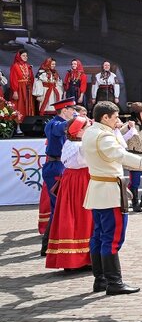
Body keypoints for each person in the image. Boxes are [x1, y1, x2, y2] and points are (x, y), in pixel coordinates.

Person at [81, 101, 142, 295]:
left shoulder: (91, 132)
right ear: (105, 117)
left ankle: (101, 280)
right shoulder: (103, 136)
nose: (118, 121)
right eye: (115, 117)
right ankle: (114, 282)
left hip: (98, 188)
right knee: (112, 237)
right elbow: (123, 157)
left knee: (98, 235)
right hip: (109, 189)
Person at [45, 116, 93, 274]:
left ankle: (84, 257)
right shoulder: (76, 146)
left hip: (79, 181)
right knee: (77, 217)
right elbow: (86, 158)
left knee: (84, 218)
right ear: (78, 131)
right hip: (78, 183)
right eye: (86, 128)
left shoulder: (75, 144)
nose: (88, 131)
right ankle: (73, 258)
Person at [39, 98, 78, 251]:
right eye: (71, 109)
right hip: (54, 166)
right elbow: (60, 128)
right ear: (64, 110)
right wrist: (79, 119)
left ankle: (51, 243)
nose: (73, 112)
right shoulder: (53, 123)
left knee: (60, 205)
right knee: (57, 205)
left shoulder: (62, 123)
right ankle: (48, 244)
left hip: (61, 165)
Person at [8, 49, 35, 123]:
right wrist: (15, 91)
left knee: (28, 105)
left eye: (26, 56)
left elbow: (31, 78)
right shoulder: (15, 66)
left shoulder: (28, 66)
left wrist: (32, 89)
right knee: (20, 106)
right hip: (19, 89)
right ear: (19, 56)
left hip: (28, 89)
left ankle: (28, 123)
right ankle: (18, 124)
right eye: (23, 55)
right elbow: (13, 79)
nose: (25, 57)